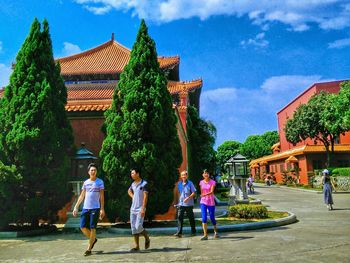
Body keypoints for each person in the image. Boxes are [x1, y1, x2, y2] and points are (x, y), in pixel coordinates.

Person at [73, 163, 105, 256]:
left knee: (92, 228)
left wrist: (102, 209)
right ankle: (93, 239)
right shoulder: (86, 182)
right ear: (88, 172)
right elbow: (82, 195)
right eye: (91, 170)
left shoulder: (100, 182)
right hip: (85, 208)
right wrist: (76, 206)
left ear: (96, 171)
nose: (93, 171)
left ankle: (89, 249)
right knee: (82, 227)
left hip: (95, 208)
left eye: (95, 170)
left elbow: (102, 196)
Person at [127, 168, 151, 252]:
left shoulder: (144, 184)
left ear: (138, 174)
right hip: (133, 209)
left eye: (133, 173)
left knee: (138, 226)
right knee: (134, 228)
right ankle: (137, 246)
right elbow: (129, 191)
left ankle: (147, 237)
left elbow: (145, 197)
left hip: (140, 209)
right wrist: (133, 197)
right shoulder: (133, 184)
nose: (131, 175)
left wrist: (143, 209)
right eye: (131, 173)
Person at [173, 170, 197, 238]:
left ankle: (193, 231)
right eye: (182, 175)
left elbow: (194, 192)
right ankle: (179, 233)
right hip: (181, 204)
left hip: (189, 204)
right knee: (180, 218)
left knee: (191, 218)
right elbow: (179, 193)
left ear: (187, 176)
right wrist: (176, 202)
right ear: (181, 176)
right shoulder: (179, 184)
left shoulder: (190, 183)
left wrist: (188, 198)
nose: (183, 176)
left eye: (184, 175)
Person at [199, 169, 219, 240]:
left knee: (212, 217)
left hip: (210, 202)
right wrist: (202, 195)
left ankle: (215, 231)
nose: (206, 174)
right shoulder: (201, 182)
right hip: (203, 202)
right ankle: (205, 235)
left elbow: (211, 192)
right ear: (203, 175)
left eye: (207, 173)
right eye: (204, 173)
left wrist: (203, 194)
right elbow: (201, 192)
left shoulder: (212, 182)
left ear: (209, 174)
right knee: (204, 218)